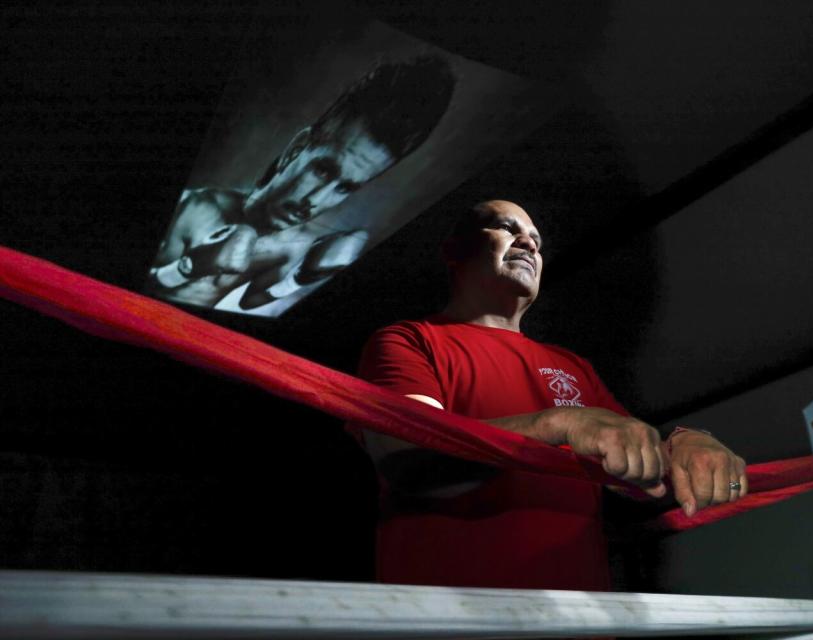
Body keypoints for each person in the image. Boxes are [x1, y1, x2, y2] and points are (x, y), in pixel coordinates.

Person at [355, 199, 748, 591]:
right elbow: (412, 461)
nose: (528, 243)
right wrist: (558, 423)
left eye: (537, 241)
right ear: (453, 251)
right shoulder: (407, 341)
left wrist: (687, 443)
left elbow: (642, 475)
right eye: (507, 228)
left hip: (576, 622)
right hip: (451, 622)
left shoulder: (574, 367)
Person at [148, 55, 456, 313]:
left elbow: (250, 301)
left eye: (344, 187)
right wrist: (186, 267)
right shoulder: (197, 207)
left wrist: (301, 277)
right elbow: (132, 289)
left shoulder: (291, 247)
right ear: (297, 149)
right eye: (322, 170)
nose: (316, 200)